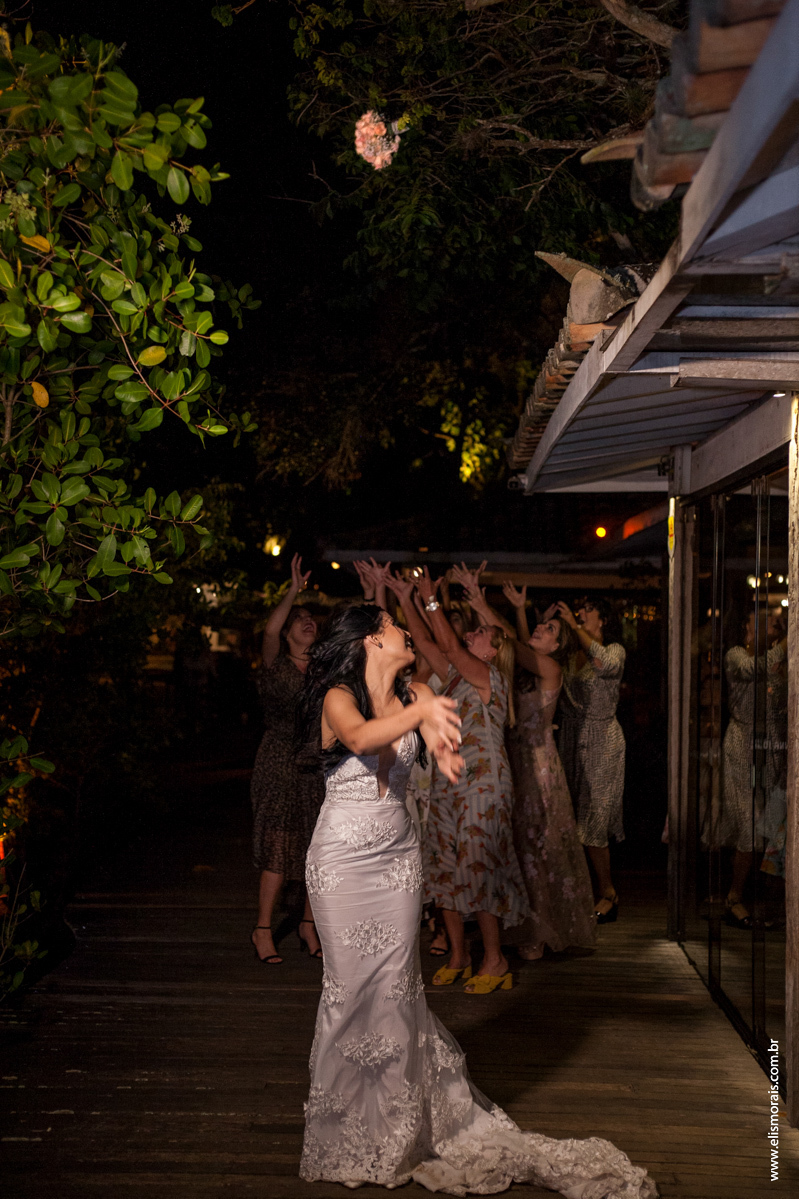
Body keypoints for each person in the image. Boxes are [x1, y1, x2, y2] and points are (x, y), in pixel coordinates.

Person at [296, 602, 657, 1196]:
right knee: (348, 990)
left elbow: (434, 750)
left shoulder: (417, 691)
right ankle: (346, 1131)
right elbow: (359, 738)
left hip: (397, 860)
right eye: (392, 623)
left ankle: (397, 1126)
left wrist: (443, 745)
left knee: (396, 988)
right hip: (342, 861)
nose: (403, 630)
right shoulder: (340, 697)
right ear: (369, 640)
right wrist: (421, 715)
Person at [389, 567, 529, 994]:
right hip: (451, 781)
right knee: (444, 867)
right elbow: (427, 643)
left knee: (478, 868)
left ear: (493, 651)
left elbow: (448, 642)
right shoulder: (454, 675)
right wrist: (407, 599)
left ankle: (495, 958)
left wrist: (431, 597)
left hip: (484, 785)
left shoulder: (490, 677)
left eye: (482, 632)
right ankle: (458, 954)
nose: (473, 633)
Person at [468, 579, 596, 959]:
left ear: (557, 646)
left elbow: (512, 643)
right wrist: (509, 611)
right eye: (543, 624)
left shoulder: (552, 668)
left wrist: (484, 607)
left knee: (539, 848)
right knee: (520, 848)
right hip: (513, 761)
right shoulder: (525, 670)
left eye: (550, 629)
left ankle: (540, 932)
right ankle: (524, 926)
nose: (542, 627)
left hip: (539, 769)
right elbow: (515, 644)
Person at [250, 554, 325, 965]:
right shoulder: (275, 665)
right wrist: (294, 591)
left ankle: (309, 924)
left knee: (317, 847)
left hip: (316, 763)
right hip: (279, 761)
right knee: (279, 845)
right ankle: (262, 929)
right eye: (299, 619)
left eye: (311, 618)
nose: (307, 622)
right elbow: (269, 630)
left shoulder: (326, 670)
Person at [557, 597, 626, 924]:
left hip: (603, 741)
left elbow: (605, 665)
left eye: (589, 609)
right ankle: (579, 894)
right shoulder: (571, 654)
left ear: (604, 620)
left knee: (594, 819)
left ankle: (608, 892)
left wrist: (574, 626)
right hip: (571, 739)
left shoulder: (614, 650)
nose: (581, 612)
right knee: (571, 820)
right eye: (579, 609)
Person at [720, 608, 787, 926]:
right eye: (761, 618)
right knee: (748, 824)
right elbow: (751, 669)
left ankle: (768, 899)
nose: (770, 622)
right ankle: (733, 896)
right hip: (742, 746)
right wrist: (785, 643)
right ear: (747, 626)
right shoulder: (736, 655)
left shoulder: (777, 662)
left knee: (771, 826)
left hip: (771, 748)